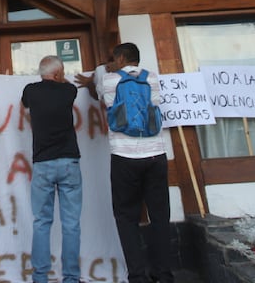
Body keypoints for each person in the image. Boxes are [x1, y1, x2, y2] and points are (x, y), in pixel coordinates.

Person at [76, 42, 173, 283]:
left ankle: (137, 276)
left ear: (119, 59)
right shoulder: (153, 78)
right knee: (159, 217)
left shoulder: (109, 81)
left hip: (124, 157)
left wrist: (99, 74)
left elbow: (96, 87)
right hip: (156, 155)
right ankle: (163, 274)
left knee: (126, 217)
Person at [21, 55, 83, 283]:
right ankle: (71, 278)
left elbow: (25, 105)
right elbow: (68, 86)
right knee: (71, 224)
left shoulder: (30, 91)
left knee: (41, 222)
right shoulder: (68, 92)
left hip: (42, 163)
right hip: (68, 162)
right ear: (58, 74)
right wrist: (62, 78)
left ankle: (40, 277)